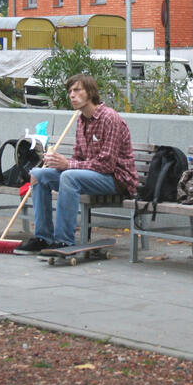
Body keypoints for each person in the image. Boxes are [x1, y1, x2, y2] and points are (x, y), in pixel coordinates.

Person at [19, 74, 138, 252]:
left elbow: (107, 165)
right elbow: (79, 159)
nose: (72, 95)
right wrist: (56, 162)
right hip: (90, 176)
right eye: (70, 91)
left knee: (69, 176)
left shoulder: (109, 118)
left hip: (117, 180)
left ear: (90, 92)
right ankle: (43, 237)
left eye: (77, 90)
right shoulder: (81, 121)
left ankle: (64, 240)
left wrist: (67, 165)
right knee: (39, 175)